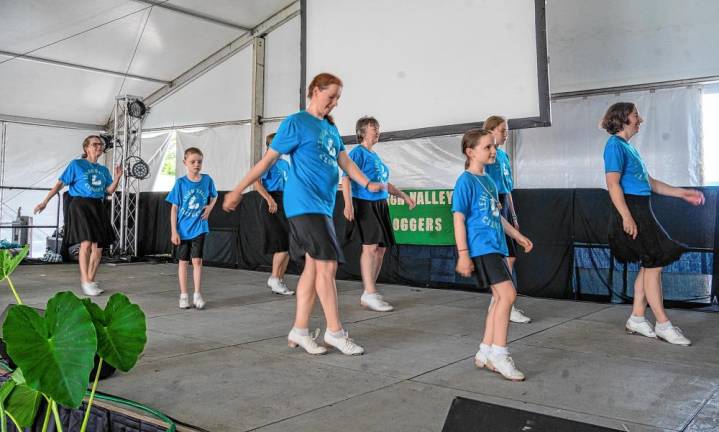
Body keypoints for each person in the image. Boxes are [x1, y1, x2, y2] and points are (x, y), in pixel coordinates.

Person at [223, 73, 383, 355]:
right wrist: (237, 190)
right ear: (314, 91)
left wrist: (366, 183)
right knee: (328, 266)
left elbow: (344, 162)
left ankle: (299, 329)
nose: (334, 103)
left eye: (338, 98)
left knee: (313, 268)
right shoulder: (296, 122)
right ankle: (335, 332)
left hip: (321, 205)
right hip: (303, 204)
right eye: (330, 96)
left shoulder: (330, 128)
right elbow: (267, 161)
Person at [602, 102, 704, 346]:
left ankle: (637, 317)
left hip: (642, 208)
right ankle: (662, 323)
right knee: (655, 262)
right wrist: (626, 216)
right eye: (636, 115)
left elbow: (652, 184)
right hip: (631, 209)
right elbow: (613, 185)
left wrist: (683, 193)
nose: (640, 119)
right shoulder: (614, 146)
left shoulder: (629, 149)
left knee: (650, 264)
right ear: (624, 118)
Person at [453, 128, 533, 381]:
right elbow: (458, 218)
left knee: (500, 299)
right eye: (487, 147)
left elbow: (498, 216)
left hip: (495, 245)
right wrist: (463, 254)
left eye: (493, 146)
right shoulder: (465, 181)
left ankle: (485, 351)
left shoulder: (488, 181)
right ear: (470, 152)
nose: (493, 150)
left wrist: (517, 236)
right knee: (507, 295)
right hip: (481, 247)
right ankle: (500, 354)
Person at [341, 116, 416, 312]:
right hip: (365, 204)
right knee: (370, 248)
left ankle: (369, 292)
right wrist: (348, 204)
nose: (378, 131)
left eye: (378, 128)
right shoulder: (357, 152)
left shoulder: (375, 156)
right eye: (374, 128)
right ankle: (370, 291)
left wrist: (404, 196)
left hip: (380, 205)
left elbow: (384, 184)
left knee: (381, 249)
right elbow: (346, 179)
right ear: (363, 132)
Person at [34, 135, 122, 296]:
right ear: (86, 148)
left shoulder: (103, 170)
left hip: (98, 205)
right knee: (86, 243)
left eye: (100, 144)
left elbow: (109, 191)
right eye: (95, 144)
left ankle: (91, 279)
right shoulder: (77, 164)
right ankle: (85, 280)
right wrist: (45, 201)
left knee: (99, 247)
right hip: (80, 205)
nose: (99, 147)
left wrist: (117, 178)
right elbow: (60, 183)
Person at [484, 115, 532, 324]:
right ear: (491, 131)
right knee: (503, 257)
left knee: (511, 257)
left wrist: (513, 216)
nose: (506, 134)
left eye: (507, 130)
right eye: (502, 130)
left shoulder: (502, 156)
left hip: (504, 204)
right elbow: (483, 182)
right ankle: (502, 303)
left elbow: (507, 188)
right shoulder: (486, 156)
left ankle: (502, 302)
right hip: (493, 205)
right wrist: (493, 203)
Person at [166, 147, 218, 310]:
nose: (196, 165)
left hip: (199, 227)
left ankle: (197, 294)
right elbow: (174, 208)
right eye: (193, 162)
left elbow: (215, 196)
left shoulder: (207, 180)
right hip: (183, 229)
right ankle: (183, 295)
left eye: (199, 162)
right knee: (183, 262)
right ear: (185, 163)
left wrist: (210, 207)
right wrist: (174, 231)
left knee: (197, 260)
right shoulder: (181, 183)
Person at [254, 133, 294, 296]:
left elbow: (292, 183)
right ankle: (275, 278)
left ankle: (278, 279)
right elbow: (256, 182)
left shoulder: (285, 164)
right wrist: (269, 199)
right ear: (270, 146)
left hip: (286, 201)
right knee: (281, 244)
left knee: (289, 245)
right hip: (272, 202)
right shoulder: (266, 162)